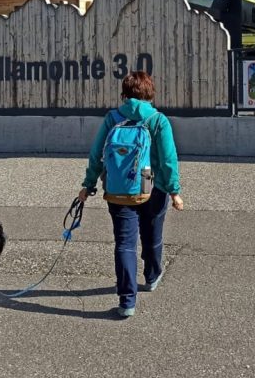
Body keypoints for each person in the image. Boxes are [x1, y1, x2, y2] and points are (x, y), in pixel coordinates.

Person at [78, 71, 183, 318]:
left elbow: (96, 154)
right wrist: (174, 191)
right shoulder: (158, 120)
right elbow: (168, 160)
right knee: (152, 235)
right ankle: (152, 275)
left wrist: (88, 184)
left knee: (124, 244)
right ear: (149, 93)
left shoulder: (113, 118)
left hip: (118, 188)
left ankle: (127, 301)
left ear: (124, 94)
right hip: (152, 185)